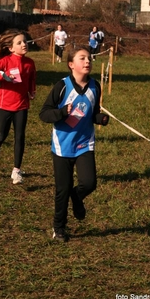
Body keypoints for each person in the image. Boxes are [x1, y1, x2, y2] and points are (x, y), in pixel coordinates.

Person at [39, 46, 109, 242]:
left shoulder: (95, 86)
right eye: (82, 58)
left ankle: (77, 197)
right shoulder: (62, 87)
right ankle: (59, 228)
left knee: (89, 183)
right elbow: (44, 113)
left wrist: (100, 118)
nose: (87, 61)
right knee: (63, 188)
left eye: (89, 58)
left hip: (84, 143)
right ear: (71, 64)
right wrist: (62, 112)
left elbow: (93, 112)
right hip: (62, 145)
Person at [0, 29, 36, 184]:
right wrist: (2, 76)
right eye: (19, 42)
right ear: (11, 48)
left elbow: (32, 79)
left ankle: (16, 171)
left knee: (20, 137)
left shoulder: (30, 63)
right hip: (4, 105)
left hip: (22, 105)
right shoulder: (5, 61)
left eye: (25, 41)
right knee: (2, 135)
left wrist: (32, 91)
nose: (23, 44)